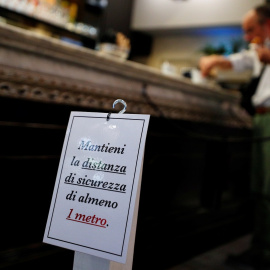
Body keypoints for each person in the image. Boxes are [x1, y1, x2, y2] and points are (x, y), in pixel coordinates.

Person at [199, 4, 270, 269]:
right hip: (262, 117)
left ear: (267, 24)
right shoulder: (259, 48)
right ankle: (260, 249)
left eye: (251, 29)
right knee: (260, 188)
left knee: (269, 189)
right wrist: (215, 60)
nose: (247, 35)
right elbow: (242, 60)